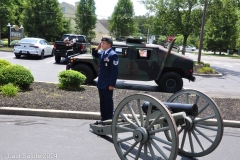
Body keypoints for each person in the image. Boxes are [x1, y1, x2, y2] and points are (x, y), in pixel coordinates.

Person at [92, 37, 119, 123]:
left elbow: (114, 72)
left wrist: (112, 84)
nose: (102, 44)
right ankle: (103, 118)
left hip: (107, 83)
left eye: (104, 43)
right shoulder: (103, 52)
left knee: (108, 102)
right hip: (101, 82)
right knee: (102, 101)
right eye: (102, 43)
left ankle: (109, 119)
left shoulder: (113, 55)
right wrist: (98, 47)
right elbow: (95, 54)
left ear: (109, 44)